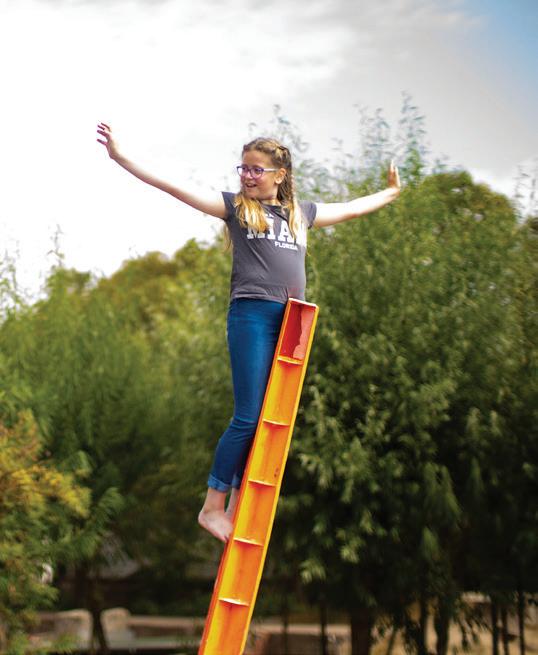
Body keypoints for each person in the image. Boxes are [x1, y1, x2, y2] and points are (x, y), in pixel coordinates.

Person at [96, 123, 401, 543]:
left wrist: (391, 193)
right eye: (244, 168)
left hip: (292, 322)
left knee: (269, 422)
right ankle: (212, 506)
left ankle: (240, 503)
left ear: (280, 175)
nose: (248, 176)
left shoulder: (300, 214)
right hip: (252, 315)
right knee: (248, 416)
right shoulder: (236, 209)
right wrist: (120, 156)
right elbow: (173, 186)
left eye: (257, 170)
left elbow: (350, 208)